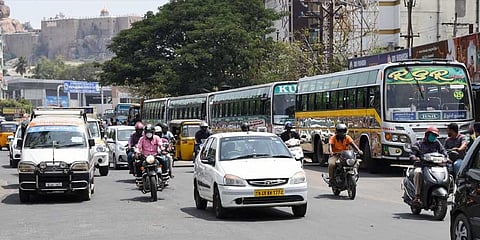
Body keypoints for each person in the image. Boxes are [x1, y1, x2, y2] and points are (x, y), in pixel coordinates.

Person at [410, 126, 448, 206]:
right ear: (427, 135)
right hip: (421, 166)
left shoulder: (436, 143)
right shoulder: (419, 144)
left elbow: (443, 151)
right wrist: (415, 158)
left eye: (435, 136)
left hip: (434, 166)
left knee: (448, 175)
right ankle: (417, 196)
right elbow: (412, 154)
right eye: (432, 135)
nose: (433, 137)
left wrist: (446, 158)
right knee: (418, 173)